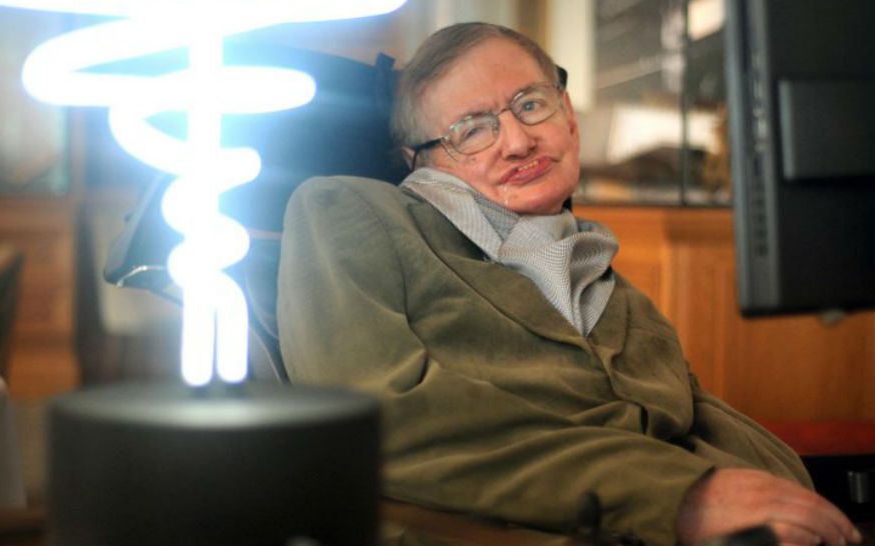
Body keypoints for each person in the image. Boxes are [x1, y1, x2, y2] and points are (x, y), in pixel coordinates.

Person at [277, 22, 861, 546]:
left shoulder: (607, 280)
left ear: (569, 116)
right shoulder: (350, 208)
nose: (517, 141)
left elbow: (692, 421)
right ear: (419, 161)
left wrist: (788, 501)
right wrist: (681, 494)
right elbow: (371, 419)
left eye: (530, 105)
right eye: (471, 130)